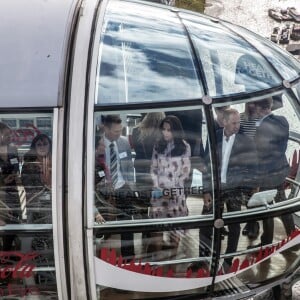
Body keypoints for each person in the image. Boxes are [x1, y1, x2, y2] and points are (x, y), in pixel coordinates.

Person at [199, 108, 258, 272]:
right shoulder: (213, 137)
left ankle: (228, 261)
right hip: (214, 189)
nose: (237, 126)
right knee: (205, 224)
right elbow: (206, 166)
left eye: (239, 122)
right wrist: (205, 190)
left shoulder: (246, 142)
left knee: (234, 227)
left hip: (234, 190)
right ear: (224, 122)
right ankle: (201, 258)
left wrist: (252, 189)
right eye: (234, 123)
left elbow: (254, 167)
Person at [252, 98, 295, 247]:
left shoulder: (261, 128)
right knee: (282, 203)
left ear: (259, 109)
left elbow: (259, 155)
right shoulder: (283, 120)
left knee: (266, 207)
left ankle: (266, 241)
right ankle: (292, 235)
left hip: (267, 174)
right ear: (270, 106)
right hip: (280, 170)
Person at [149, 115, 191, 260]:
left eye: (169, 130)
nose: (165, 133)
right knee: (157, 230)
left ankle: (172, 261)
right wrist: (158, 188)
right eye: (164, 130)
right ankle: (158, 262)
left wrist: (171, 190)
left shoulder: (185, 147)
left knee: (175, 229)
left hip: (176, 194)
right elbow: (153, 169)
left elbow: (185, 173)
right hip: (158, 194)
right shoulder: (157, 145)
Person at [102, 114, 136, 260]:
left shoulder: (124, 143)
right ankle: (105, 259)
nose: (119, 134)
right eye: (116, 131)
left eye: (120, 130)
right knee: (104, 227)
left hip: (123, 187)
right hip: (104, 191)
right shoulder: (96, 144)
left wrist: (132, 187)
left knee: (127, 225)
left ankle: (128, 258)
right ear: (106, 129)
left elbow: (129, 166)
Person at [131, 112, 165, 216]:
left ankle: (144, 228)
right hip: (158, 171)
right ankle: (154, 228)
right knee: (158, 201)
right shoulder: (162, 134)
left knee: (143, 202)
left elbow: (135, 148)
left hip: (141, 169)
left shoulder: (136, 131)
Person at [240, 102, 261, 239]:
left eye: (255, 103)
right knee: (246, 197)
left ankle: (254, 225)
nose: (252, 105)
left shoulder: (260, 120)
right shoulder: (241, 118)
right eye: (250, 103)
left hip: (254, 161)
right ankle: (250, 223)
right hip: (242, 161)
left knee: (253, 196)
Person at [22, 133, 52, 224]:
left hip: (54, 204)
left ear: (50, 146)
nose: (42, 147)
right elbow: (28, 187)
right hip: (35, 205)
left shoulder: (58, 162)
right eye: (39, 144)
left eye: (45, 144)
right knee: (36, 233)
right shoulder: (28, 165)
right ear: (34, 147)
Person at [0, 122, 21, 251]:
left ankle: (7, 252)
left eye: (10, 135)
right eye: (6, 135)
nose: (9, 137)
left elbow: (16, 166)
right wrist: (2, 180)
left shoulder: (13, 149)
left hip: (12, 191)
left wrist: (14, 175)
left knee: (13, 221)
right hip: (0, 193)